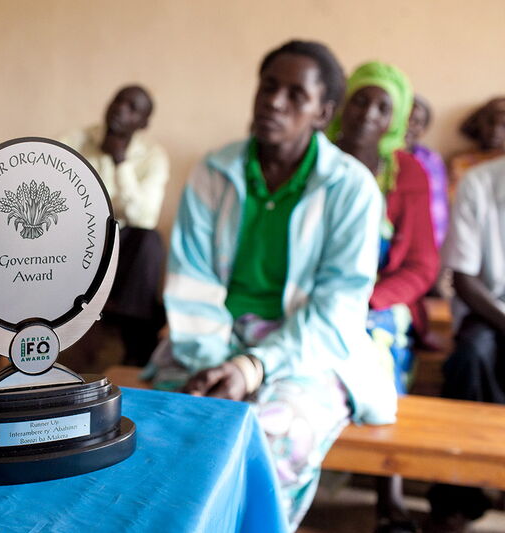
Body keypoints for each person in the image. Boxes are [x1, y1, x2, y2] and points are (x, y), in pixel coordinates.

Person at [150, 41, 397, 530]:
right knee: (170, 428)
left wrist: (252, 367)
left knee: (270, 435)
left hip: (307, 350)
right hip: (208, 339)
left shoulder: (351, 189)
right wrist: (216, 365)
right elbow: (191, 282)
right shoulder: (213, 172)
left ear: (324, 112)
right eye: (268, 87)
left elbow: (336, 310)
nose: (274, 102)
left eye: (295, 95)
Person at [328, 61, 439, 533]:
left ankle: (387, 489)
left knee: (380, 341)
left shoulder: (406, 172)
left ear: (396, 118)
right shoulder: (316, 156)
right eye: (361, 99)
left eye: (383, 106)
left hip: (379, 299)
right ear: (342, 104)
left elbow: (422, 265)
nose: (369, 113)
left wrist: (370, 300)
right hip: (315, 289)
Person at [60, 85, 169, 368]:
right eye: (118, 100)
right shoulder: (77, 141)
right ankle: (128, 329)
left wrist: (120, 162)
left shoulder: (152, 157)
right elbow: (55, 190)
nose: (121, 108)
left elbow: (145, 218)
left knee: (149, 241)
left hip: (123, 248)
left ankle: (121, 324)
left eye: (133, 108)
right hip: (80, 239)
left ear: (143, 123)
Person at [423, 155, 505, 532]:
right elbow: (465, 280)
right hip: (488, 310)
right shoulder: (480, 183)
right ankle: (456, 496)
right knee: (472, 356)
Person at [406, 95, 450, 250]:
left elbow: (437, 215)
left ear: (424, 130)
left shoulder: (431, 161)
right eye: (404, 116)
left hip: (422, 247)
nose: (408, 125)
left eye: (416, 122)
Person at [449, 97, 505, 200]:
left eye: (503, 126)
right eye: (490, 123)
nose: (495, 131)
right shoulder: (461, 162)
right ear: (479, 123)